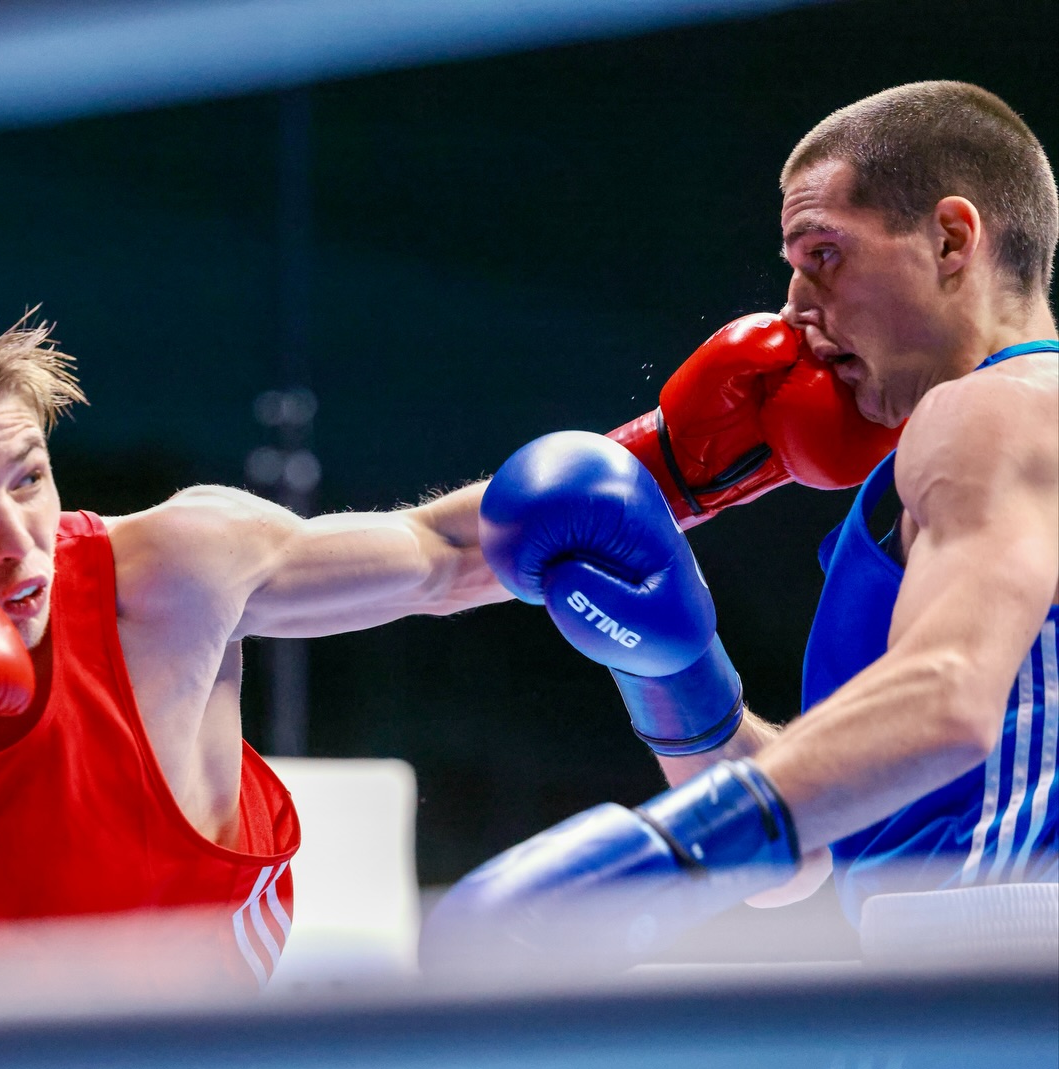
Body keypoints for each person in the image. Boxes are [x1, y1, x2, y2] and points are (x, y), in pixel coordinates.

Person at [0, 271, 889, 1022]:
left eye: (25, 478)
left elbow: (445, 556)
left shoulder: (172, 572)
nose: (16, 542)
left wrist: (690, 457)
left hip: (215, 1046)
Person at [421, 81, 1059, 974]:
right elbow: (803, 852)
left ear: (952, 239)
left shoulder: (1000, 410)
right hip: (939, 964)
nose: (797, 304)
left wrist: (652, 863)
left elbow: (946, 701)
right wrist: (681, 680)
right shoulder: (973, 451)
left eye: (825, 254)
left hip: (1005, 958)